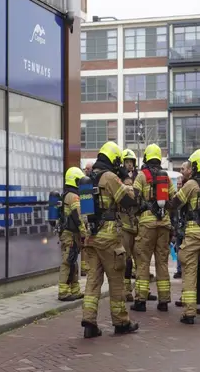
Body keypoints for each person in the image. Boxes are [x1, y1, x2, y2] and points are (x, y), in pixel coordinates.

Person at [81, 141, 139, 338]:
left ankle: (89, 322)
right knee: (116, 279)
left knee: (93, 280)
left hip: (91, 237)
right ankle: (121, 322)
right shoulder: (110, 177)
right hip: (108, 237)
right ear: (115, 160)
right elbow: (130, 200)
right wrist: (127, 179)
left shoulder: (88, 178)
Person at [169, 149, 200, 324]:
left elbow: (176, 202)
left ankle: (189, 313)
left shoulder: (191, 184)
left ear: (197, 165)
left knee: (190, 272)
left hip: (193, 234)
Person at [131, 144, 175, 312]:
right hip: (163, 224)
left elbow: (134, 198)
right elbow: (173, 200)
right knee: (162, 262)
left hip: (146, 225)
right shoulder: (167, 178)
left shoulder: (141, 176)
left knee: (143, 262)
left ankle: (141, 300)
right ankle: (164, 301)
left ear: (147, 158)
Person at [118, 149, 145, 303]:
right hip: (125, 226)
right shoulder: (119, 179)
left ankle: (141, 292)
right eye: (127, 162)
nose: (129, 165)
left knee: (140, 259)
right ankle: (126, 291)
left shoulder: (138, 178)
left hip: (138, 224)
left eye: (131, 162)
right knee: (126, 260)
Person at [57, 167, 87, 301]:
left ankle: (75, 290)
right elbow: (77, 216)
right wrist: (84, 231)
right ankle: (63, 292)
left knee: (73, 262)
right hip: (70, 234)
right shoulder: (73, 197)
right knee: (67, 262)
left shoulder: (66, 195)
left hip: (69, 233)